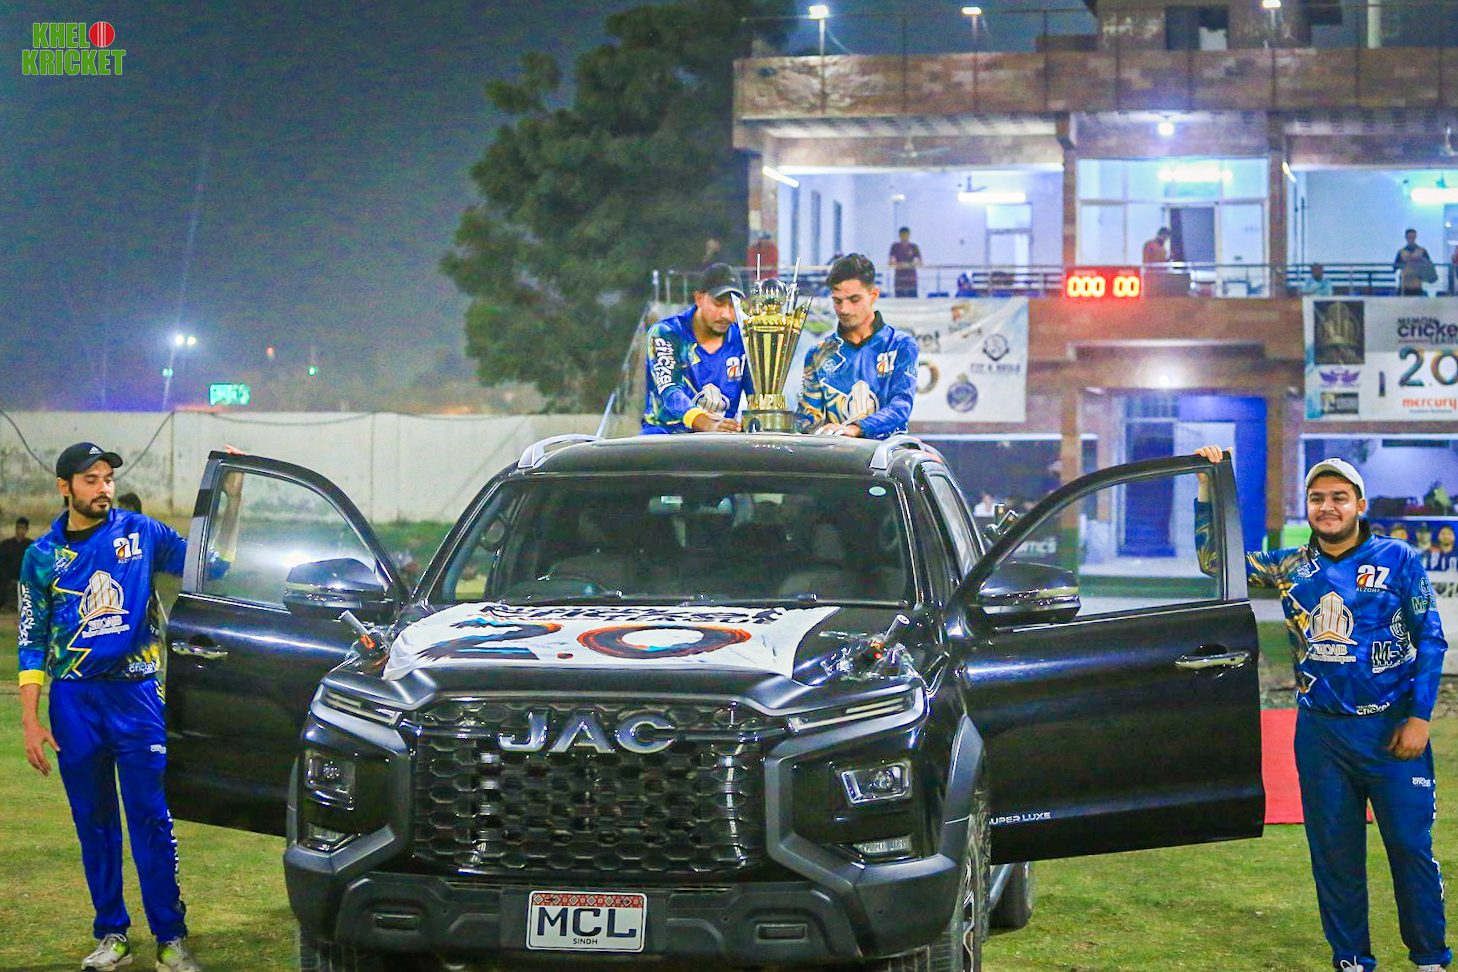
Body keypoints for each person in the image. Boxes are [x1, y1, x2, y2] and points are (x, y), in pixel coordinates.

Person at [1194, 447, 1449, 972]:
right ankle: (1351, 959)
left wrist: (1420, 717)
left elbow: (1431, 638)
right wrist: (1205, 485)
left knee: (1409, 847)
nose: (1327, 507)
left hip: (1391, 730)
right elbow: (1214, 563)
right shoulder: (1290, 564)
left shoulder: (1398, 558)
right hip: (1321, 735)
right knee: (1335, 854)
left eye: (1339, 497)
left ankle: (1429, 958)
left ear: (1359, 504)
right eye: (1317, 498)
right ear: (1306, 506)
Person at [17, 442, 241, 972]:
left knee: (150, 819)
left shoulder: (142, 533)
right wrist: (30, 720)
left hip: (136, 695)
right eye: (90, 479)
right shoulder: (41, 556)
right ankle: (111, 934)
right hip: (74, 701)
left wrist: (231, 499)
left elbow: (212, 565)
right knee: (93, 822)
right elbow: (30, 640)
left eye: (107, 478)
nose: (104, 488)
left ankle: (171, 938)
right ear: (65, 487)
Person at [797, 253, 919, 439]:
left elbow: (901, 406)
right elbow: (810, 419)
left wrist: (857, 428)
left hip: (888, 453)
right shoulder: (818, 354)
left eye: (854, 300)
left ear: (873, 295)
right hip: (836, 454)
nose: (844, 309)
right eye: (837, 301)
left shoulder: (900, 345)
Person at [642, 262, 751, 434]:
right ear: (699, 299)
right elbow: (669, 390)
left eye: (733, 306)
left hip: (723, 437)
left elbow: (756, 396)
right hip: (666, 434)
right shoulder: (666, 332)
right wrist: (706, 424)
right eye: (719, 303)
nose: (726, 314)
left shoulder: (744, 338)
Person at [0, 516, 31, 611]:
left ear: (26, 530)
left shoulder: (30, 545)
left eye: (22, 528)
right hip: (8, 575)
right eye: (18, 528)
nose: (20, 531)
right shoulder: (6, 544)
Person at [1394, 229, 1435, 296]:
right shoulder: (1402, 252)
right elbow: (1395, 267)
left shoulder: (1421, 251)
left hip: (1417, 283)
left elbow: (1429, 266)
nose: (1411, 239)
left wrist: (1420, 261)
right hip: (1405, 284)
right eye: (1409, 237)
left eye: (1413, 237)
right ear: (1406, 238)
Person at [888, 227, 922, 298]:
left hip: (911, 278)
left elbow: (919, 262)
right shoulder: (895, 247)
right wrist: (899, 264)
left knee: (912, 298)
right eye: (902, 235)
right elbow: (891, 262)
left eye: (906, 235)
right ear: (899, 236)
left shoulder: (914, 247)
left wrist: (910, 265)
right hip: (899, 278)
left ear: (909, 235)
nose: (904, 237)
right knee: (899, 298)